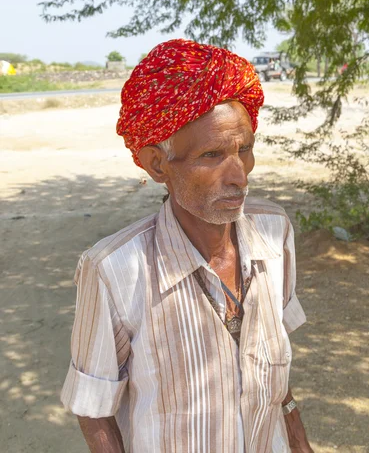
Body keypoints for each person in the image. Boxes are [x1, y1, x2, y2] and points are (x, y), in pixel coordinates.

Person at [61, 39, 313, 453]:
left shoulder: (274, 233)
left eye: (245, 149)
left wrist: (300, 443)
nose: (240, 177)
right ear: (156, 164)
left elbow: (273, 372)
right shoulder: (113, 269)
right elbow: (94, 407)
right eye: (212, 155)